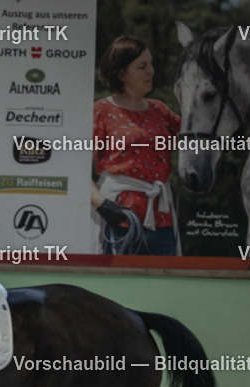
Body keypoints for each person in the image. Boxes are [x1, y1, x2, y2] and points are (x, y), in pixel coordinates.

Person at [91, 36, 181, 255]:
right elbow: (78, 171)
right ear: (122, 74)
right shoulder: (101, 111)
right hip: (120, 218)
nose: (151, 71)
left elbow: (196, 140)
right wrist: (103, 206)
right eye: (142, 66)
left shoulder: (160, 110)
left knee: (164, 287)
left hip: (162, 221)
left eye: (151, 64)